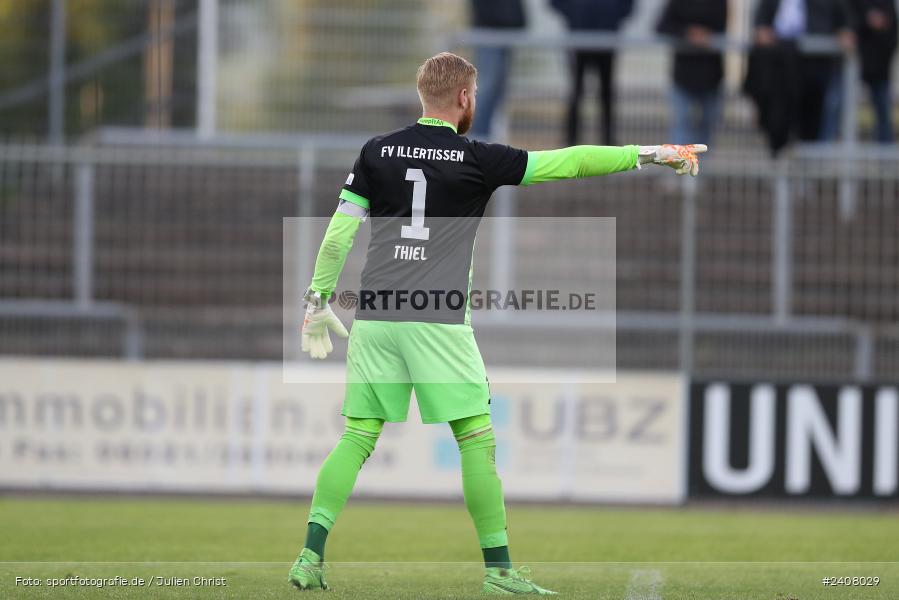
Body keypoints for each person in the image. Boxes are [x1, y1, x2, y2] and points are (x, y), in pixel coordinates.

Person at [288, 52, 706, 595]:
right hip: (436, 318)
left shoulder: (376, 151)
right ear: (464, 98)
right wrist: (651, 153)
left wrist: (317, 299)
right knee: (476, 440)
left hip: (375, 314)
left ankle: (308, 559)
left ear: (423, 94)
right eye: (475, 96)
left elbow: (340, 233)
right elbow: (571, 161)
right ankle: (499, 572)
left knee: (358, 436)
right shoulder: (477, 158)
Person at [754, 0, 855, 142]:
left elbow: (843, 23)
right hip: (781, 70)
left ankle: (815, 156)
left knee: (818, 121)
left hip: (818, 67)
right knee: (780, 119)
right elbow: (761, 25)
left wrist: (844, 32)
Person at [551, 0, 634, 146]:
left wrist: (612, 17)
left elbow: (627, 6)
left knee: (606, 92)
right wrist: (574, 16)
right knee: (576, 92)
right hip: (578, 37)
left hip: (607, 37)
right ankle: (571, 140)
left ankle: (608, 139)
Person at [657, 0, 729, 147]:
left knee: (707, 126)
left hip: (711, 75)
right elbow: (661, 26)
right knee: (682, 125)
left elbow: (721, 27)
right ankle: (681, 167)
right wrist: (687, 33)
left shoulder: (718, 3)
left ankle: (701, 168)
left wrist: (706, 36)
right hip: (683, 75)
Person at [469, 0, 526, 139]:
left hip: (505, 30)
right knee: (487, 88)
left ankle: (486, 138)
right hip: (489, 31)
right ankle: (477, 138)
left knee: (498, 90)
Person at [852, 0, 897, 142]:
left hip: (879, 67)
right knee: (838, 108)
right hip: (851, 64)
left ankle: (886, 152)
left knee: (883, 112)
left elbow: (892, 31)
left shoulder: (887, 4)